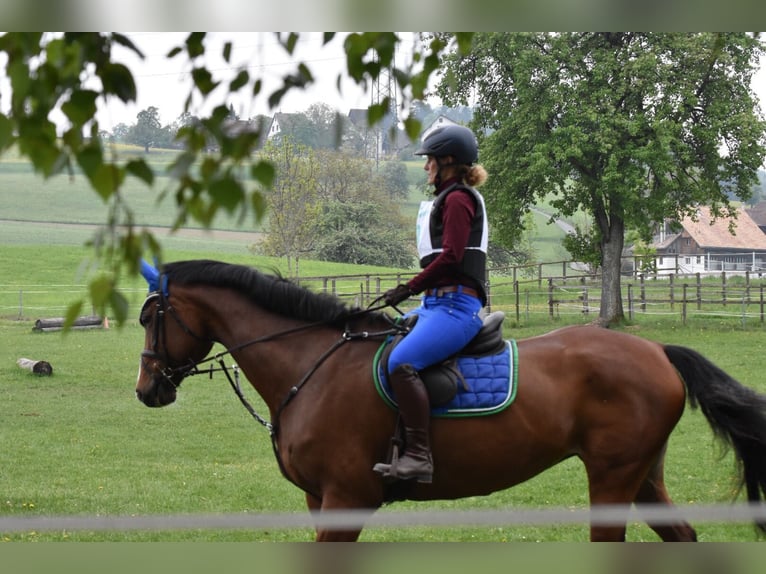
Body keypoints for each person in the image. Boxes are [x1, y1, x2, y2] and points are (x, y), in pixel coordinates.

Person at [373, 124, 489, 483]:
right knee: (377, 337)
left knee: (402, 361)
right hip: (435, 305)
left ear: (448, 161)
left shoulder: (457, 199)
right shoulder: (447, 198)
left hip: (456, 308)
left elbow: (452, 258)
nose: (426, 167)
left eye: (430, 161)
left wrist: (408, 287)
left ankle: (419, 456)